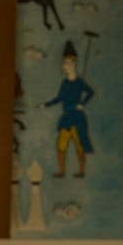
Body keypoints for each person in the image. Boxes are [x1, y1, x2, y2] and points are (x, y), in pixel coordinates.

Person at [42, 41, 96, 177]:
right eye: (64, 63)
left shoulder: (79, 83)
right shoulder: (65, 83)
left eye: (66, 63)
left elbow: (90, 92)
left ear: (72, 63)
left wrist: (82, 103)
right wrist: (46, 105)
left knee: (80, 146)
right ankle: (61, 171)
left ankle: (82, 171)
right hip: (66, 118)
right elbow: (59, 97)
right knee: (61, 145)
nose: (64, 66)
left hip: (77, 118)